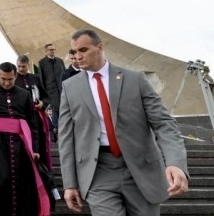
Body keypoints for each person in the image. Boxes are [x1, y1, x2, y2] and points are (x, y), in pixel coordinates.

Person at [59, 29, 189, 215]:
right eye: (74, 52)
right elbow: (65, 138)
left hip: (140, 169)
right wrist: (70, 184)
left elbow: (163, 124)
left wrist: (175, 163)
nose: (77, 56)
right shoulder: (69, 88)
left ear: (100, 47)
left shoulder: (135, 80)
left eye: (83, 50)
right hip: (97, 171)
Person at [0, 61, 50, 216]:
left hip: (21, 143)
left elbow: (33, 123)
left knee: (21, 181)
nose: (6, 82)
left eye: (10, 79)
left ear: (15, 76)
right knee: (1, 179)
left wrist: (35, 148)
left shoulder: (24, 94)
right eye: (3, 79)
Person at [15, 55, 52, 169]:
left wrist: (43, 103)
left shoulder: (35, 78)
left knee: (40, 144)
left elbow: (46, 96)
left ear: (28, 65)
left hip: (37, 117)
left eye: (23, 67)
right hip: (21, 117)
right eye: (19, 66)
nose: (21, 69)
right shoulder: (14, 79)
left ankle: (43, 171)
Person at [38, 43, 64, 139]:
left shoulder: (60, 61)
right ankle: (56, 135)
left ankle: (62, 133)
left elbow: (64, 75)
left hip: (61, 91)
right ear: (46, 51)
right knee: (53, 114)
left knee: (63, 112)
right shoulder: (42, 63)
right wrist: (44, 94)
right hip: (50, 93)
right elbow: (41, 79)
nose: (52, 51)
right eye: (50, 49)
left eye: (53, 49)